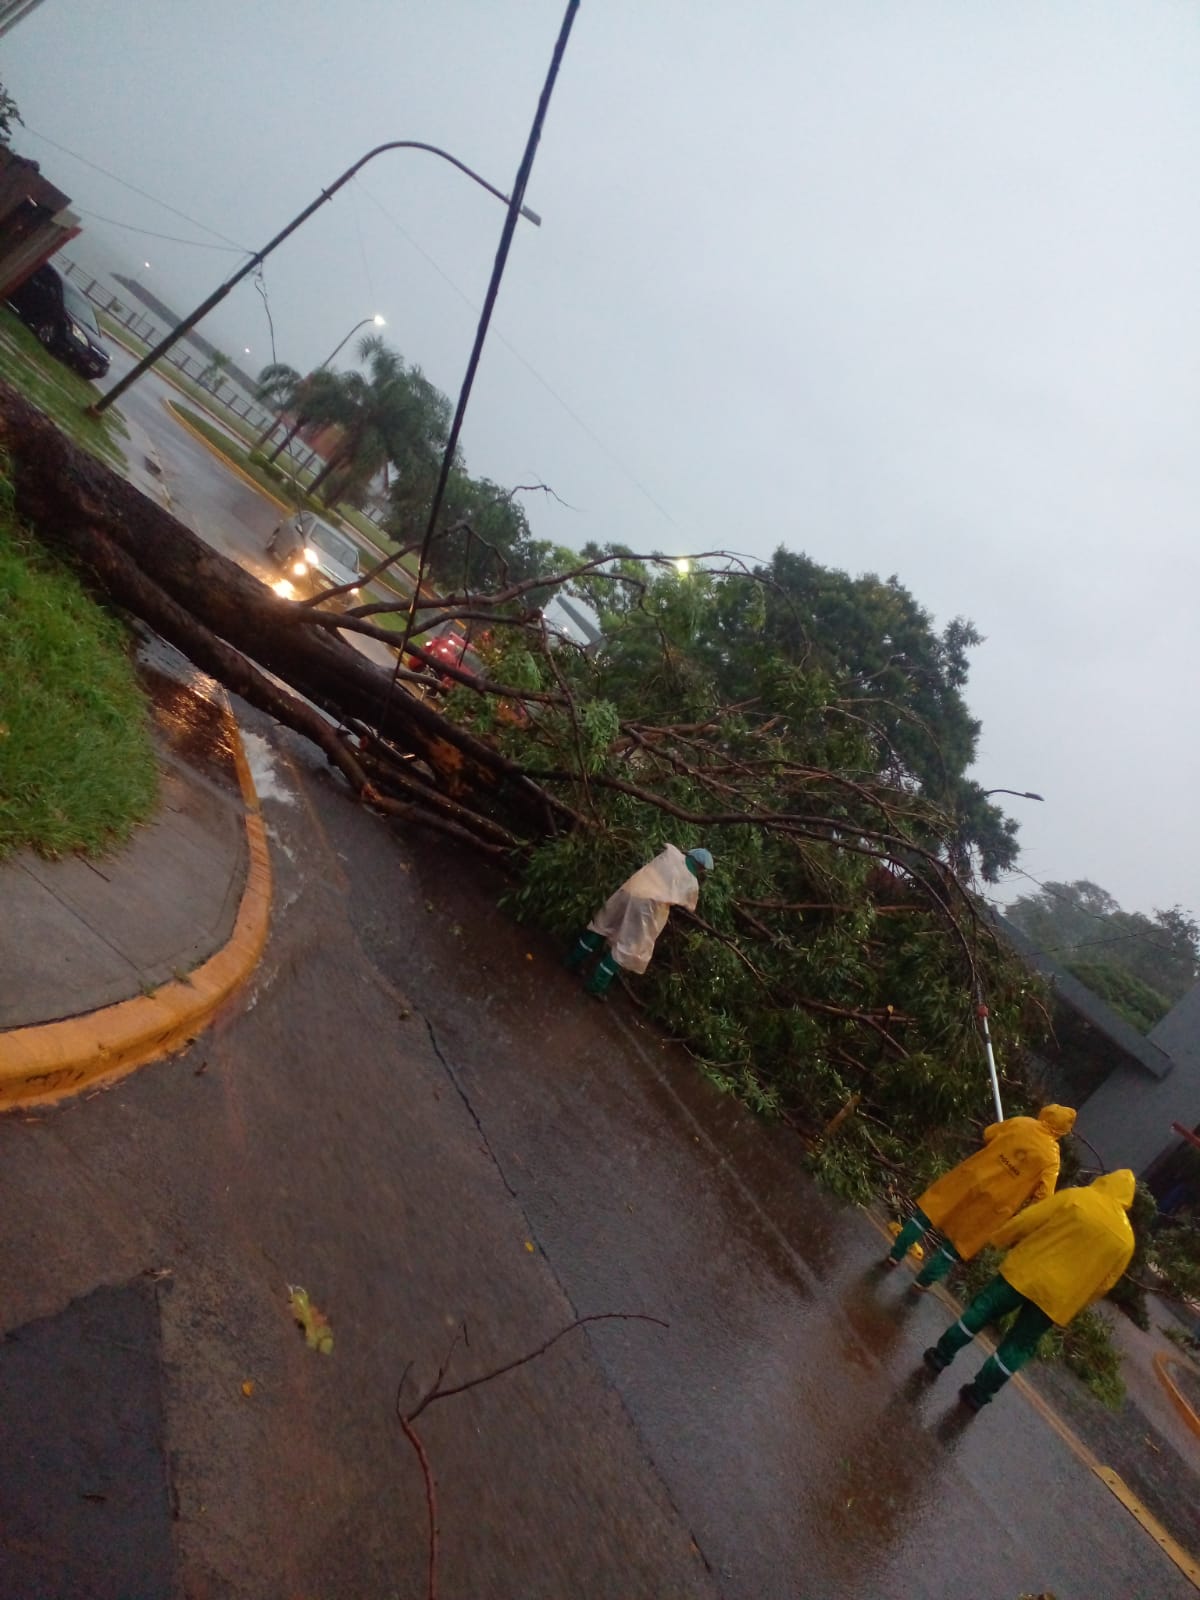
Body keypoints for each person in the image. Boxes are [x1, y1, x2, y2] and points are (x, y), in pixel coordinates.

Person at [923, 1169, 1136, 1410]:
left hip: (1025, 1272)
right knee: (1020, 1344)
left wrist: (999, 1238)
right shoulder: (1126, 1241)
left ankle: (940, 1356)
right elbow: (1105, 1284)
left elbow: (1031, 1218)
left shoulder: (1078, 1197)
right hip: (1057, 1300)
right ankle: (978, 1395)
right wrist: (1075, 1302)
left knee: (984, 1309)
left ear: (1106, 1181)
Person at [886, 1105, 1076, 1287]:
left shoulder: (1021, 1122)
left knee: (929, 1214)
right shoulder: (1052, 1160)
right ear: (1062, 1132)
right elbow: (1043, 1197)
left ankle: (895, 1255)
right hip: (996, 1204)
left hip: (971, 1178)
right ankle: (922, 1282)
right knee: (958, 1245)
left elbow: (988, 1134)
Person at [565, 845, 713, 998]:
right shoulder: (692, 884)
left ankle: (572, 961)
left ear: (691, 854)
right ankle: (596, 986)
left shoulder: (672, 853)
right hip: (648, 910)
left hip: (631, 889)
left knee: (603, 924)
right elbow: (689, 907)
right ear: (701, 868)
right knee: (626, 947)